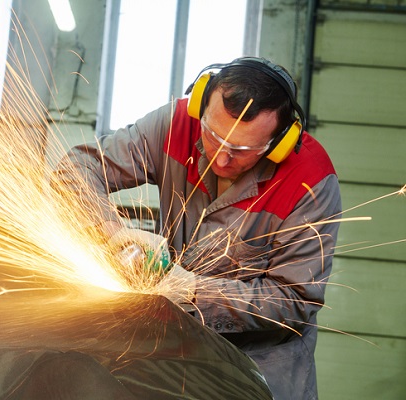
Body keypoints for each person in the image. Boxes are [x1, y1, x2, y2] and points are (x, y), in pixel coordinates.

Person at [53, 57, 342, 399]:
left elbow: (294, 300)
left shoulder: (309, 180)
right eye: (212, 136)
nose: (220, 159)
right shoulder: (178, 123)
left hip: (260, 371)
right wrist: (112, 231)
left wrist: (193, 292)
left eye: (241, 150)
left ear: (278, 144)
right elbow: (78, 168)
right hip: (168, 355)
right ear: (200, 106)